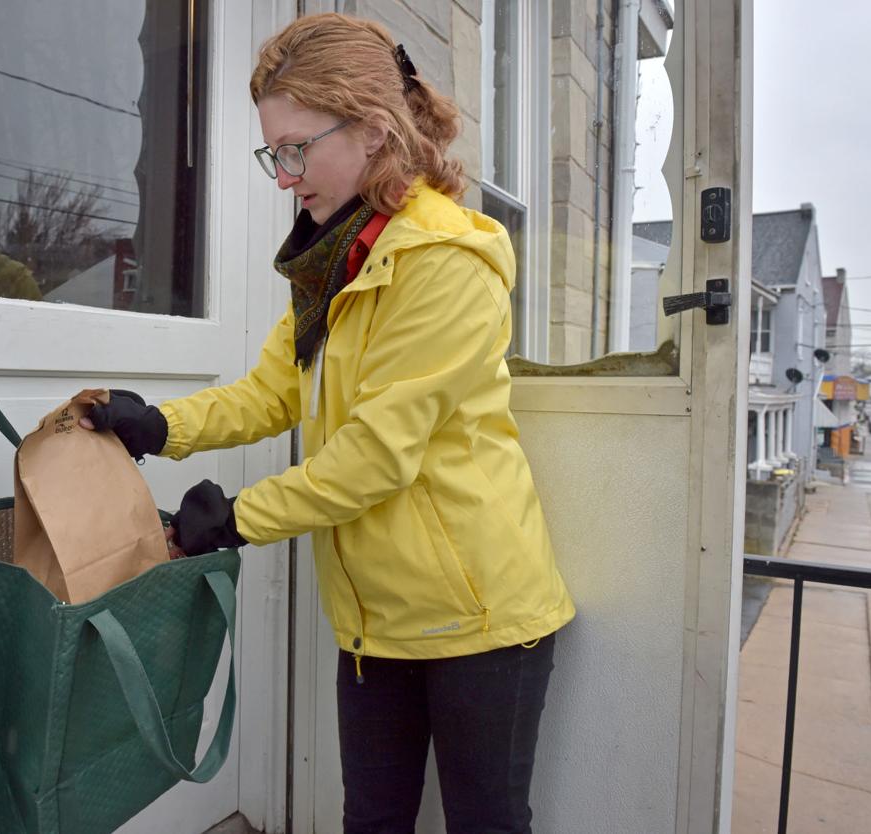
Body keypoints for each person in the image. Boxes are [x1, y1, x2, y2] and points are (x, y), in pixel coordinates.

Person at [81, 13, 575, 833]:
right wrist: (157, 425)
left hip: (483, 623)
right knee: (370, 821)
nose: (283, 175)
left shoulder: (446, 263)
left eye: (296, 149)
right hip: (375, 623)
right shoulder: (334, 258)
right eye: (274, 151)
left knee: (486, 823)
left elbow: (377, 458)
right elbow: (272, 394)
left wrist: (238, 518)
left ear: (376, 131)